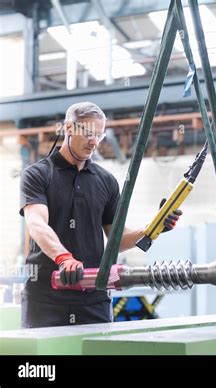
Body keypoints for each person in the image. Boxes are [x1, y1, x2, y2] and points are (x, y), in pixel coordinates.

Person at [19, 101, 181, 328]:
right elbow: (36, 224)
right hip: (46, 301)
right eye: (87, 133)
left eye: (100, 135)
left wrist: (152, 229)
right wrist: (63, 258)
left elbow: (116, 239)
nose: (94, 142)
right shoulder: (38, 175)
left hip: (94, 301)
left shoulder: (106, 181)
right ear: (68, 128)